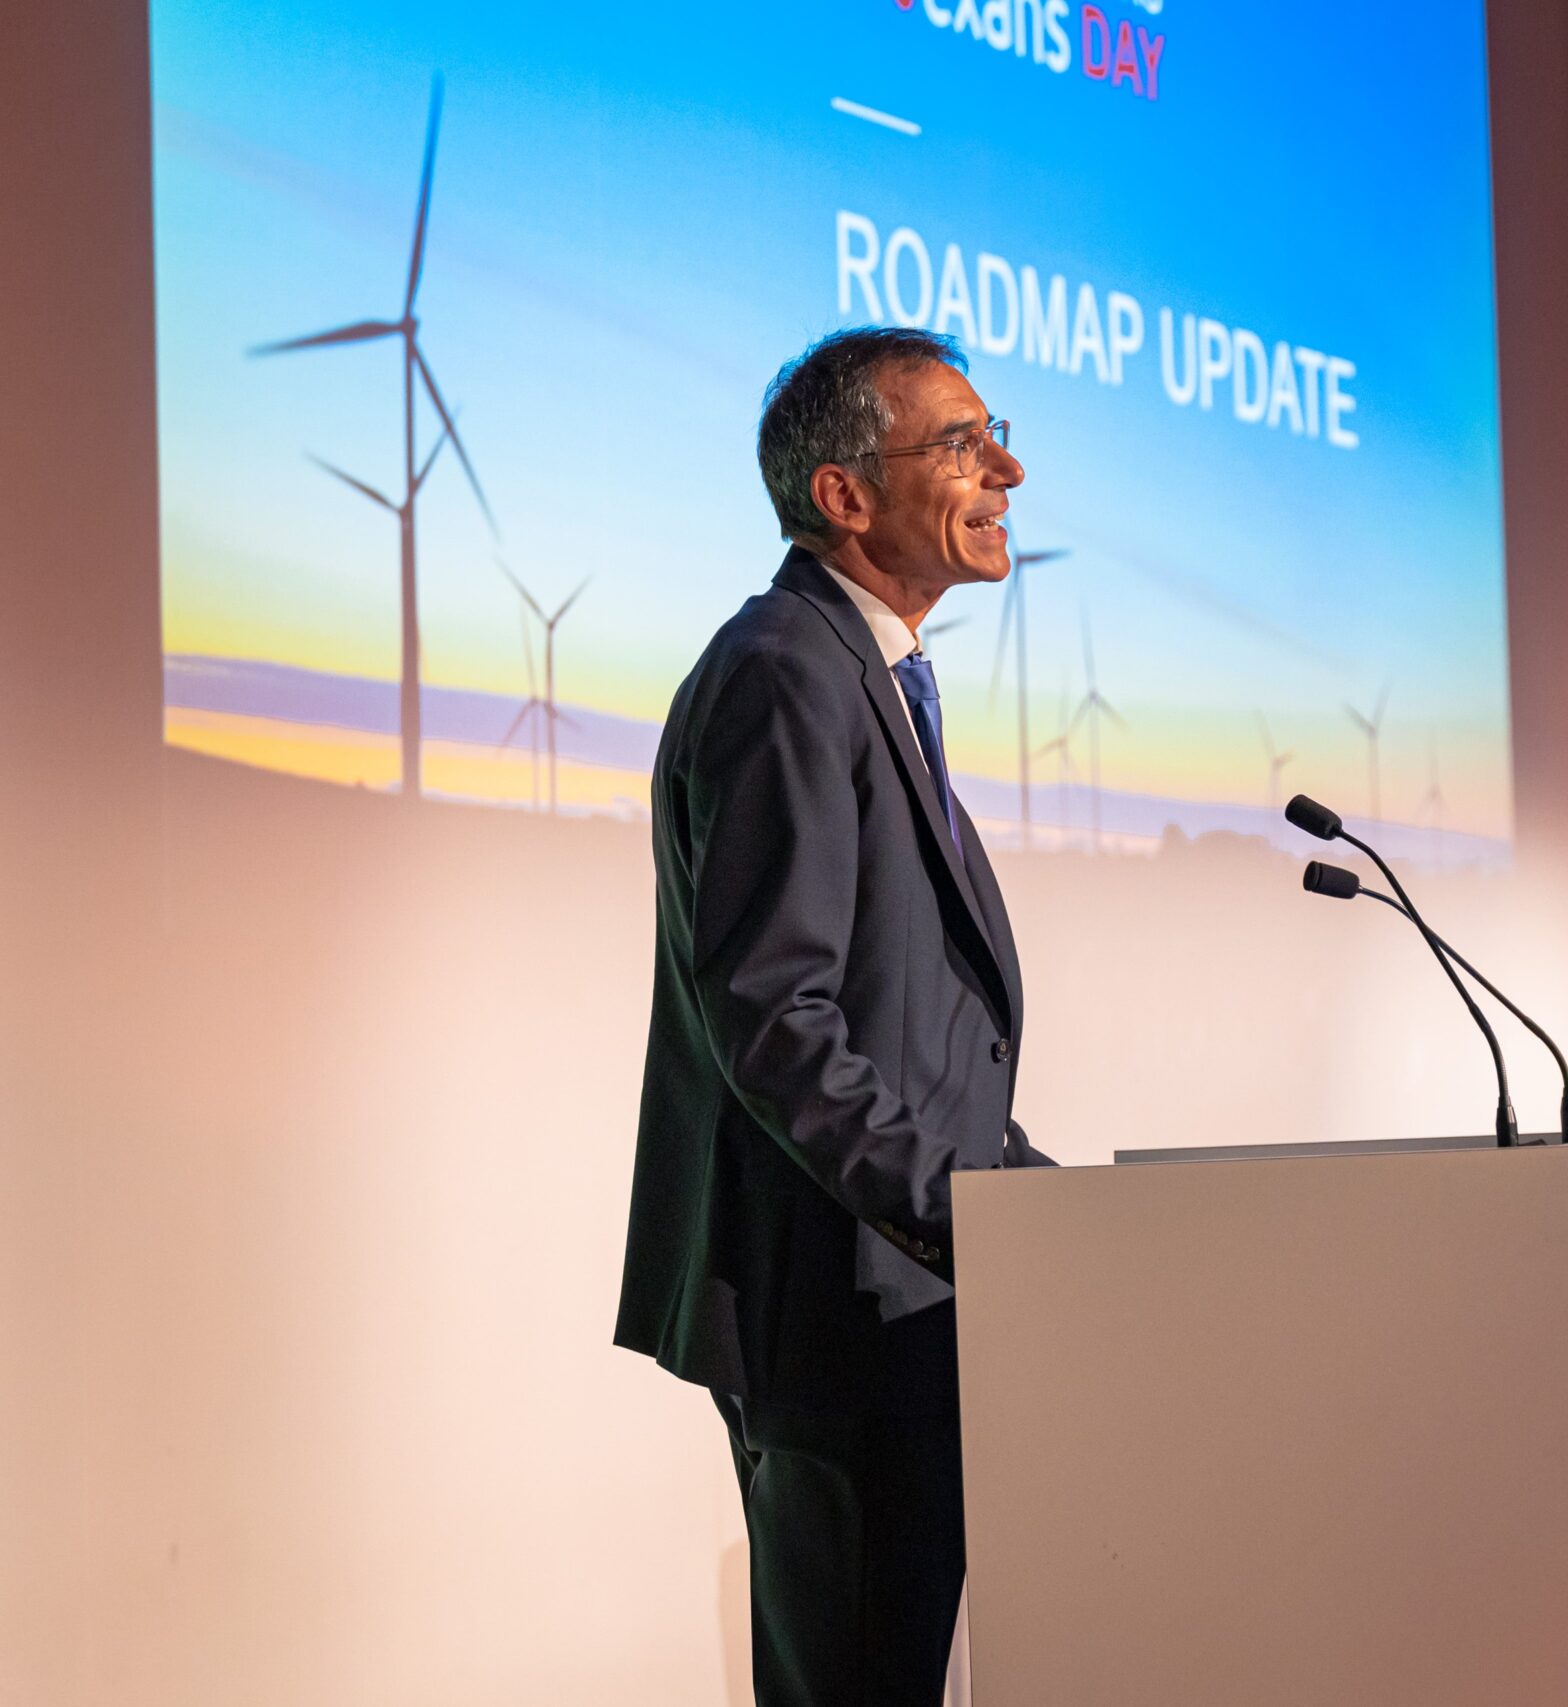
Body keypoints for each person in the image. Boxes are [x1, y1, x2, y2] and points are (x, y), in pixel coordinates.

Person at [614, 326, 1049, 1706]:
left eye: (997, 438)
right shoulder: (785, 670)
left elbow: (900, 1015)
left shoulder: (860, 673)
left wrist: (1045, 1201)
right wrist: (967, 1215)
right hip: (841, 1309)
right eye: (963, 444)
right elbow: (776, 1021)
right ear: (844, 495)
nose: (1007, 473)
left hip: (896, 1290)